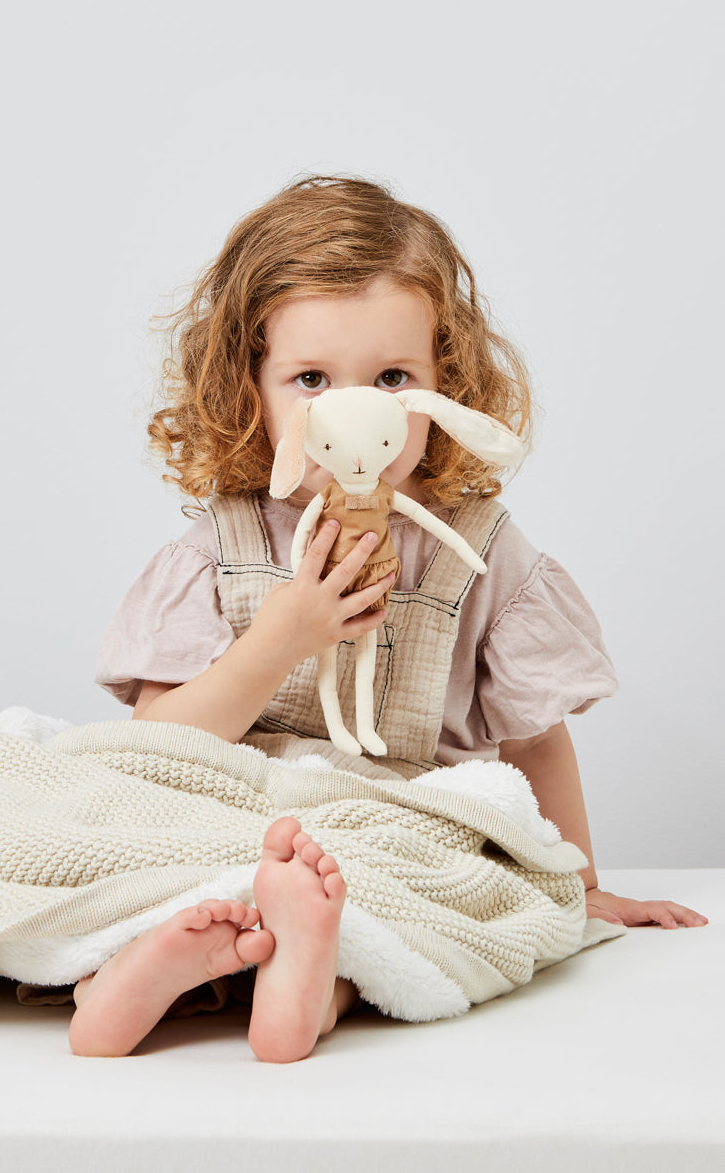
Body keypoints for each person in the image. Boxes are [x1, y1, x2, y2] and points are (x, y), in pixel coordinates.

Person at [72, 175, 708, 1063]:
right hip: (241, 815)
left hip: (400, 826)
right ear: (248, 387)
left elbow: (533, 745)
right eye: (310, 379)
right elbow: (157, 745)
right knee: (127, 851)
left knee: (432, 902)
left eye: (392, 378)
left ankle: (311, 980)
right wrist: (284, 635)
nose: (353, 410)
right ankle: (134, 976)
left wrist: (577, 886)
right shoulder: (225, 545)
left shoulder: (476, 552)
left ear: (447, 382)